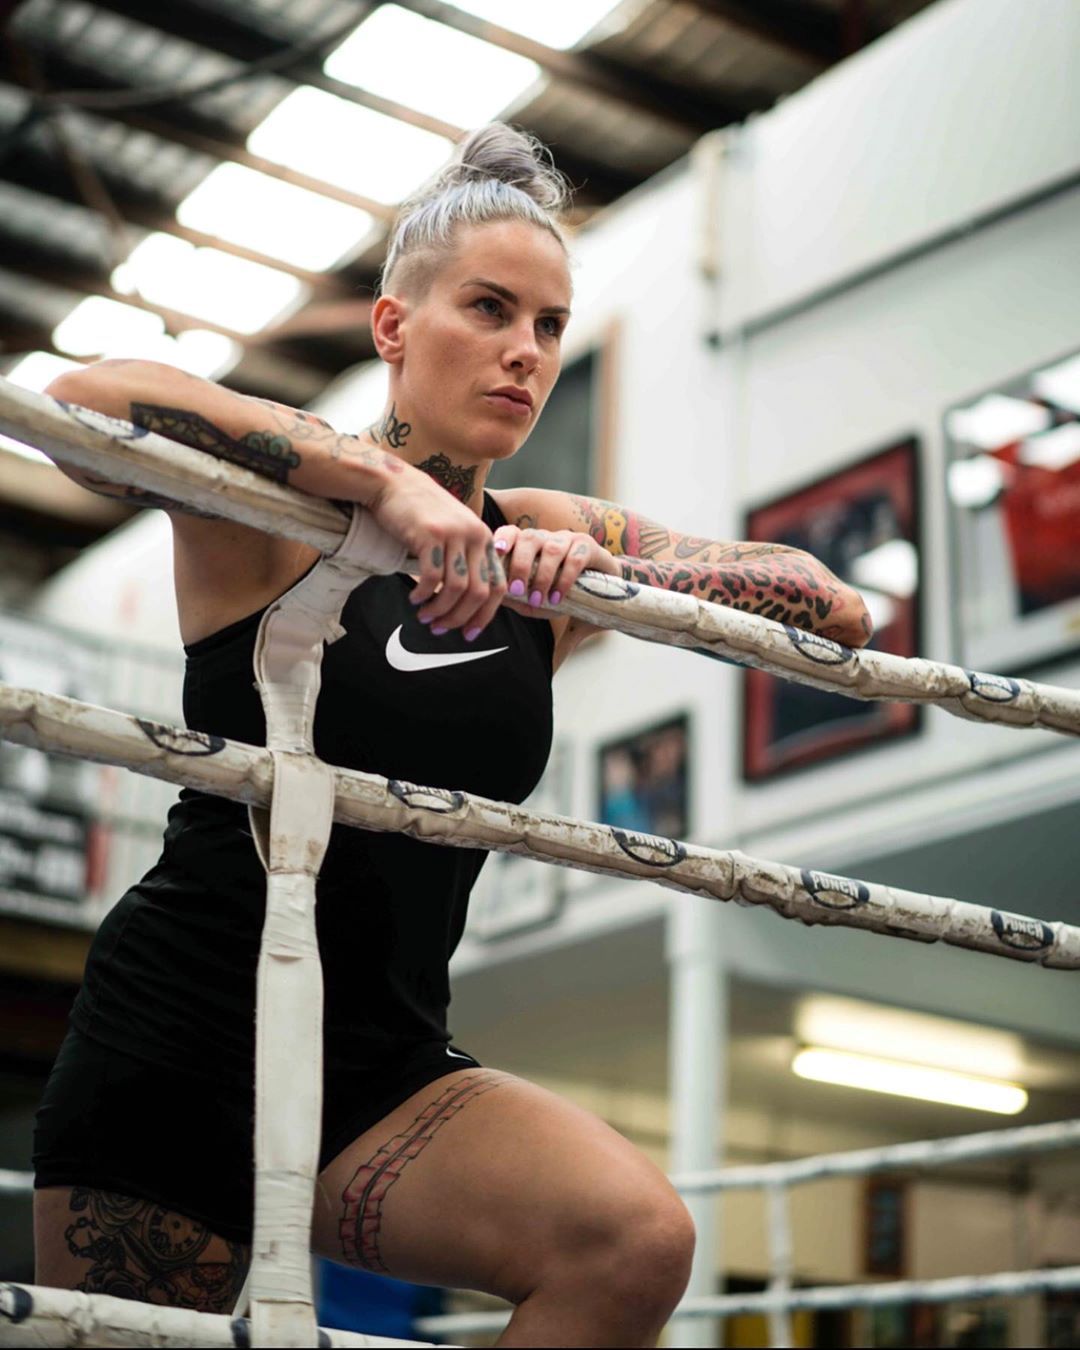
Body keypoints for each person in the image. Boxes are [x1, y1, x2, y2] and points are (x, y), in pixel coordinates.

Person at [31, 124, 871, 1347]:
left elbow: (830, 605)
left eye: (550, 325)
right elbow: (78, 402)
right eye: (488, 309)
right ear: (393, 326)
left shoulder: (552, 532)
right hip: (180, 1037)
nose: (526, 351)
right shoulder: (277, 500)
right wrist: (384, 485)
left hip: (381, 1063)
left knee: (632, 1241)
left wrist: (605, 576)